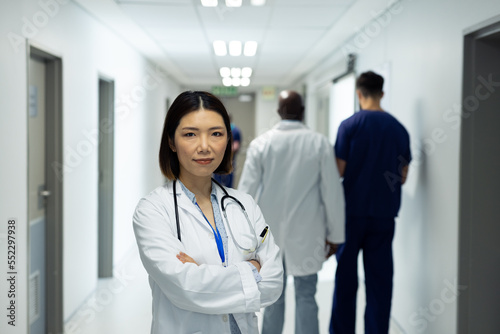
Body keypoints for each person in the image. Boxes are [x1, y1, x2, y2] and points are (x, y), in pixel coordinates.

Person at [133, 91, 283, 334]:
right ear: (171, 141)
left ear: (226, 139)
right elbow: (186, 289)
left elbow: (274, 283)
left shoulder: (245, 204)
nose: (205, 146)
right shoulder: (152, 211)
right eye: (190, 134)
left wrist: (202, 275)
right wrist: (252, 269)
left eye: (216, 134)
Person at [238, 90, 345, 334]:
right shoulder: (319, 143)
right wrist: (336, 235)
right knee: (307, 295)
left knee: (273, 295)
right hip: (309, 234)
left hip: (269, 236)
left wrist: (242, 236)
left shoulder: (261, 144)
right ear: (304, 111)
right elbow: (332, 193)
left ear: (278, 112)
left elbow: (246, 193)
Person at [330, 71, 411, 334]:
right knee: (380, 283)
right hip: (383, 215)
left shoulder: (349, 125)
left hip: (351, 214)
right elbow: (403, 175)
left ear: (359, 93)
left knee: (345, 281)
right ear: (382, 93)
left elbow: (338, 171)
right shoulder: (398, 129)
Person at [214, 114, 242, 188]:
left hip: (230, 159)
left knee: (229, 177)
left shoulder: (235, 130)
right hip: (218, 158)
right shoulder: (218, 130)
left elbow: (236, 145)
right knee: (217, 178)